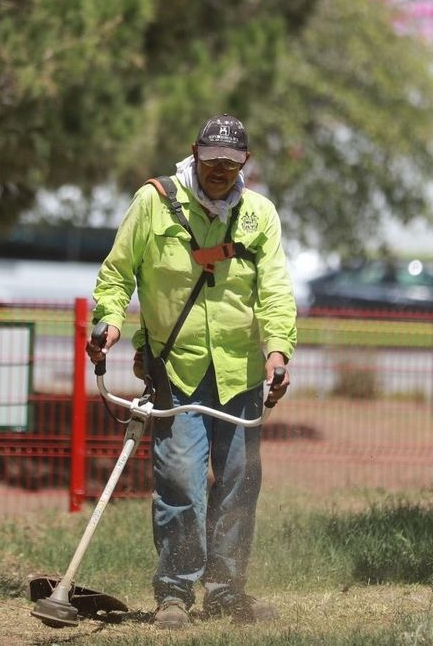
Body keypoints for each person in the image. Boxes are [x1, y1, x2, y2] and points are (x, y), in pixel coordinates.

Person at [86, 114, 297, 629]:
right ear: (194, 155)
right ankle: (175, 594)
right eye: (212, 161)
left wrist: (278, 352)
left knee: (239, 483)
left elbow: (274, 290)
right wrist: (108, 323)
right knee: (180, 480)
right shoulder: (154, 203)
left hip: (242, 371)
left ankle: (227, 591)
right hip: (176, 369)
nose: (221, 170)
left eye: (232, 162)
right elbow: (117, 273)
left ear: (244, 163)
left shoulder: (258, 214)